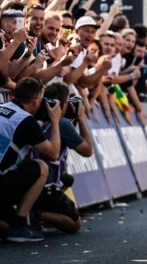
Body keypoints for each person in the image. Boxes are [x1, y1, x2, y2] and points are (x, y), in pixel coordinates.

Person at [0, 78, 62, 243]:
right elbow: (53, 154)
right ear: (36, 100)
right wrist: (55, 121)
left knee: (5, 226)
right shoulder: (25, 121)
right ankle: (19, 225)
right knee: (42, 167)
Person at [32, 83, 93, 234]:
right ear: (63, 105)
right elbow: (87, 151)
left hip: (30, 178)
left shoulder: (33, 118)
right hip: (46, 185)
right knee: (74, 224)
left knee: (67, 179)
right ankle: (35, 215)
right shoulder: (62, 124)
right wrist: (81, 118)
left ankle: (34, 210)